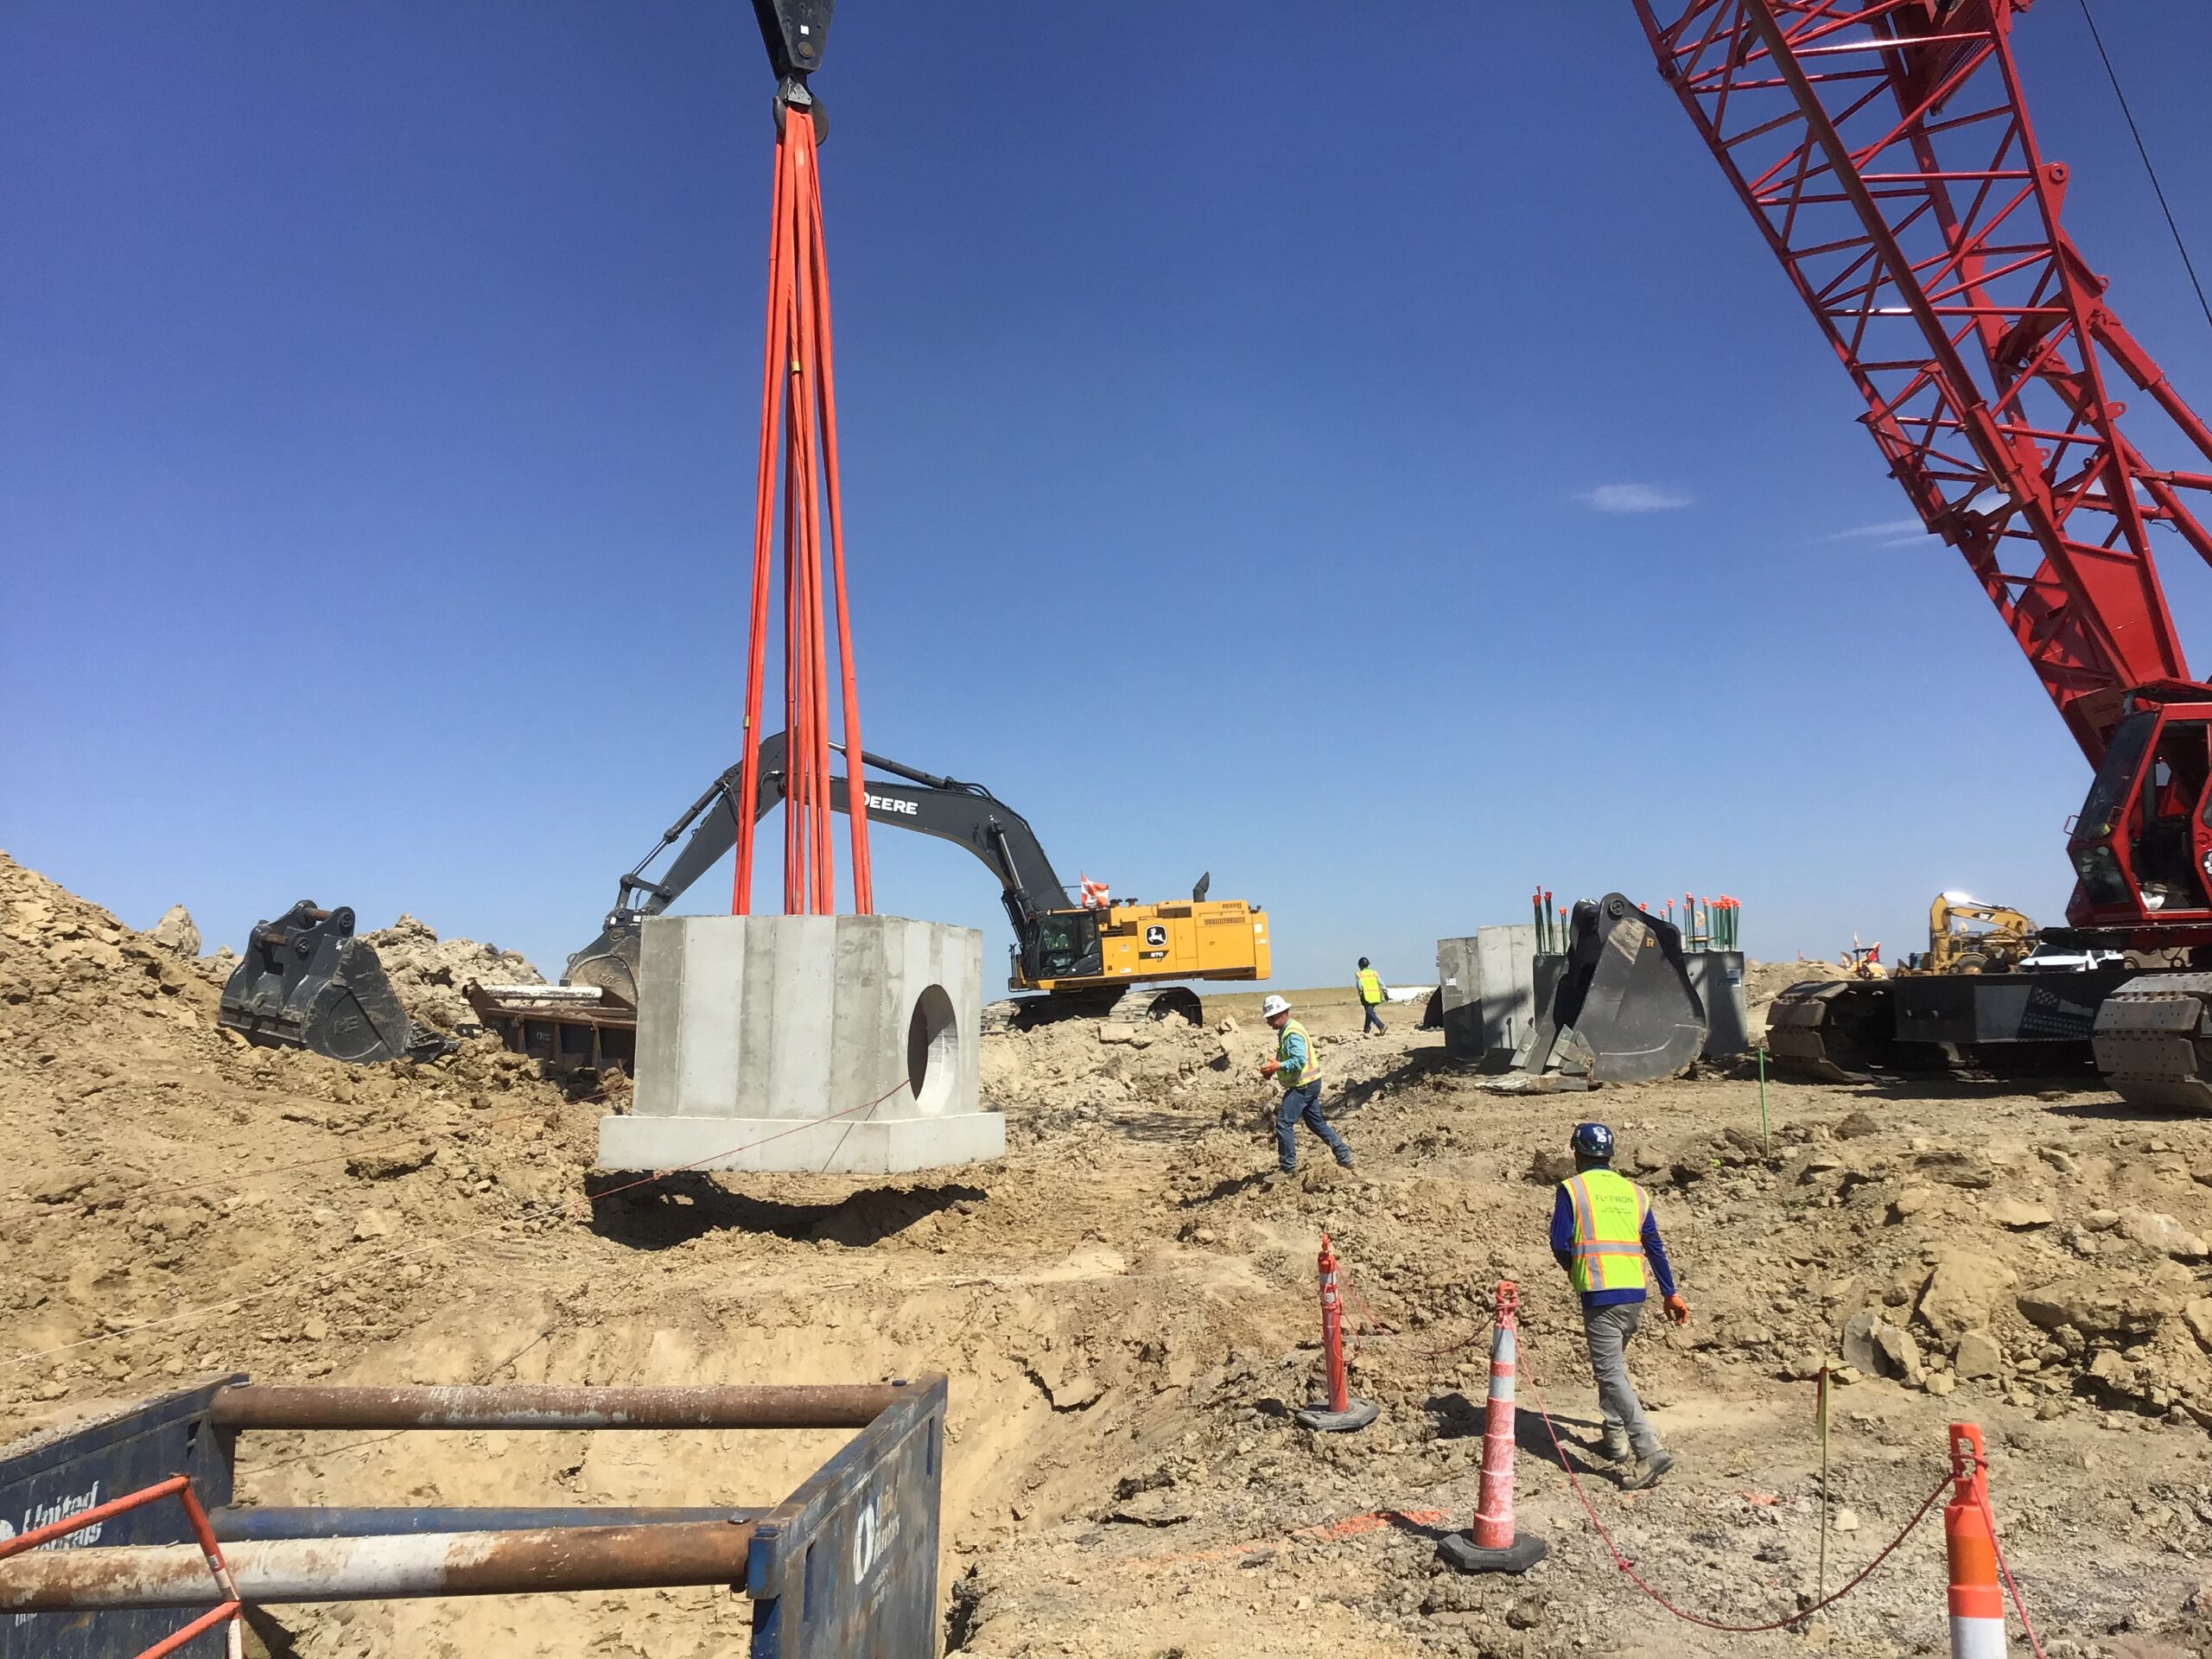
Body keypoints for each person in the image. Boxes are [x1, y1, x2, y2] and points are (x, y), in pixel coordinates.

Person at [1549, 1122, 1689, 1490]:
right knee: (1614, 1367)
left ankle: (1649, 1449)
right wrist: (1669, 1291)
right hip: (1633, 1291)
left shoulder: (1572, 1189)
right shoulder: (1634, 1192)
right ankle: (1615, 1439)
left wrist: (1576, 1269)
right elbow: (1654, 1244)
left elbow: (1560, 1243)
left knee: (1609, 1372)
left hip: (1599, 1292)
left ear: (1577, 1153)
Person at [1258, 994, 1353, 1175]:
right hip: (1310, 1083)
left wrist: (1279, 1066)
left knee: (1284, 1123)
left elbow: (1298, 1060)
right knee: (1316, 1123)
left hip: (1303, 1085)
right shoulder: (1288, 1030)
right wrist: (1275, 1068)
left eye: (1271, 1018)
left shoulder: (1292, 1033)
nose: (1269, 1022)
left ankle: (1287, 1168)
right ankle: (1344, 1155)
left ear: (1283, 1013)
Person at [1355, 957, 1388, 1035]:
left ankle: (1381, 1026)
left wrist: (1360, 993)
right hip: (1376, 996)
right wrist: (1385, 992)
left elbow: (1359, 986)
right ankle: (1366, 1029)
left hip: (1367, 996)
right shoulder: (1373, 973)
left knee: (1369, 1012)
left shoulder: (1360, 974)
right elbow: (1381, 983)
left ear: (1360, 966)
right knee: (1369, 1012)